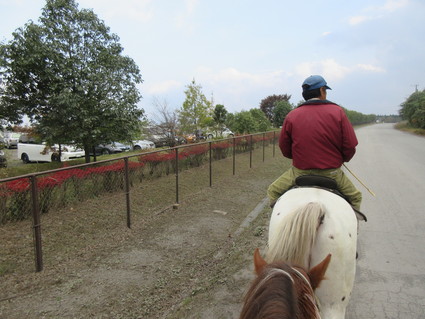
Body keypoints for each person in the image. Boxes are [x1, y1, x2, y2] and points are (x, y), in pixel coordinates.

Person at [267, 75, 362, 210]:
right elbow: (350, 145)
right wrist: (342, 159)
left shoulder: (292, 115)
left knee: (273, 191)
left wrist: (299, 158)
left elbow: (284, 148)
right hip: (332, 174)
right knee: (356, 197)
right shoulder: (338, 112)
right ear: (322, 90)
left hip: (300, 173)